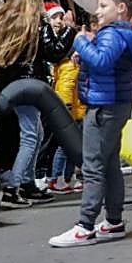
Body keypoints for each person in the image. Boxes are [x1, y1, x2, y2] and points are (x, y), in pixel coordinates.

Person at [49, 0, 132, 247]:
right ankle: (113, 221)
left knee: (93, 165)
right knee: (110, 163)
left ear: (121, 8)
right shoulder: (130, 33)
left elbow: (102, 61)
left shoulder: (112, 34)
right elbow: (108, 64)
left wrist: (80, 42)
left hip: (103, 106)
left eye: (104, 6)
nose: (98, 11)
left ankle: (85, 226)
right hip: (117, 103)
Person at [0, 0, 55, 207]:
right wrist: (67, 31)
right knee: (31, 135)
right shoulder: (35, 29)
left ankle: (26, 182)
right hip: (28, 88)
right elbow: (54, 51)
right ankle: (14, 187)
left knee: (36, 133)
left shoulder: (11, 28)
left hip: (14, 87)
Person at [48, 51, 86, 193]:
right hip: (72, 111)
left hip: (76, 110)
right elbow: (66, 88)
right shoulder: (70, 66)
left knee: (73, 147)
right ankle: (57, 178)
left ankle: (67, 177)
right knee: (65, 147)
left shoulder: (71, 64)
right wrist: (67, 107)